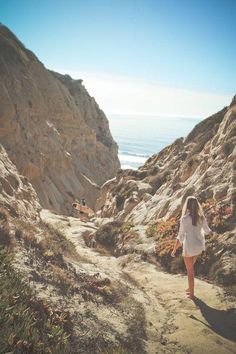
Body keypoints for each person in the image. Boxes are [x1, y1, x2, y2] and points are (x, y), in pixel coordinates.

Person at [171, 196, 212, 299]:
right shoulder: (201, 217)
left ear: (187, 206)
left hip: (189, 247)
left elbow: (180, 237)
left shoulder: (184, 219)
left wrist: (174, 249)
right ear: (197, 205)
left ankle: (192, 294)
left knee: (190, 271)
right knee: (190, 267)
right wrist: (215, 234)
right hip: (199, 247)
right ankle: (190, 288)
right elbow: (208, 231)